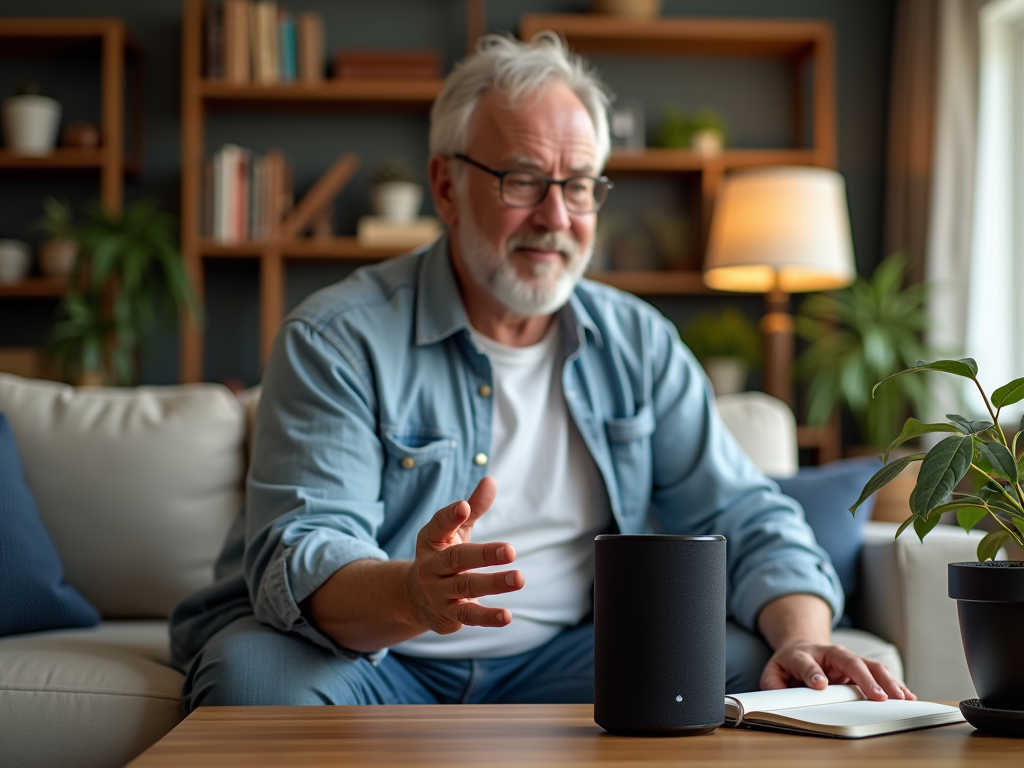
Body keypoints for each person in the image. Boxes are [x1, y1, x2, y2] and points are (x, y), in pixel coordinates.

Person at [170, 33, 914, 709]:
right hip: (370, 658)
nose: (556, 217)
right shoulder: (337, 336)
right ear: (445, 185)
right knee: (252, 680)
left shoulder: (639, 342)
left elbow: (744, 513)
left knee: (750, 661)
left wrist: (800, 635)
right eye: (522, 179)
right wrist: (415, 596)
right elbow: (305, 548)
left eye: (580, 184)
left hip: (567, 656)